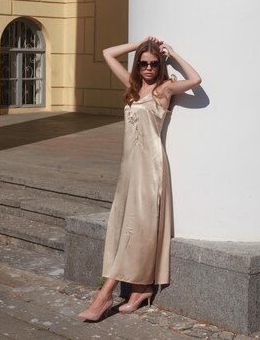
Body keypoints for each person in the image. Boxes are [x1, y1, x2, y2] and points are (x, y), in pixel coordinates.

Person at [78, 36, 201, 322]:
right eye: (143, 63)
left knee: (138, 227)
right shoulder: (133, 86)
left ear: (160, 65)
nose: (148, 67)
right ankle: (141, 288)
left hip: (151, 167)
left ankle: (105, 294)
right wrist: (139, 45)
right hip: (129, 167)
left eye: (153, 63)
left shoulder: (165, 88)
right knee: (128, 225)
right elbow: (107, 52)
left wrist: (174, 54)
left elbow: (195, 80)